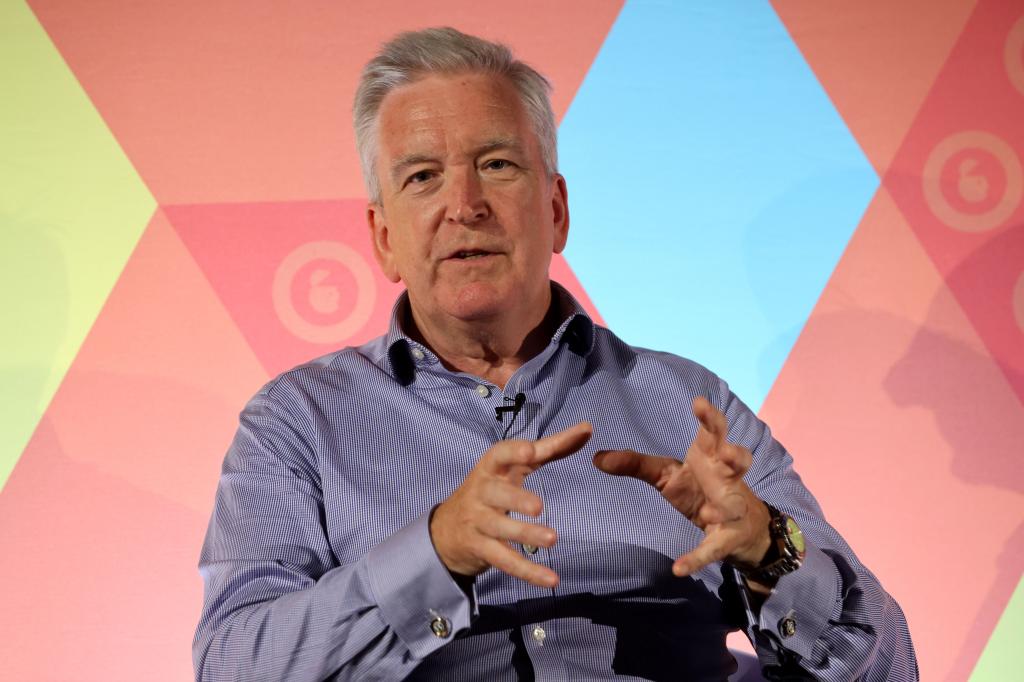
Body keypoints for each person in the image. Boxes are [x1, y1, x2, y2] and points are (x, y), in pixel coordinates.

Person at [193, 27, 917, 681]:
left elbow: (889, 666)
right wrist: (434, 554)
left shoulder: (689, 405)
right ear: (384, 237)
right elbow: (232, 665)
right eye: (422, 177)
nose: (465, 203)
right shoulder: (297, 423)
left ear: (557, 210)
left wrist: (767, 545)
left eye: (498, 165)